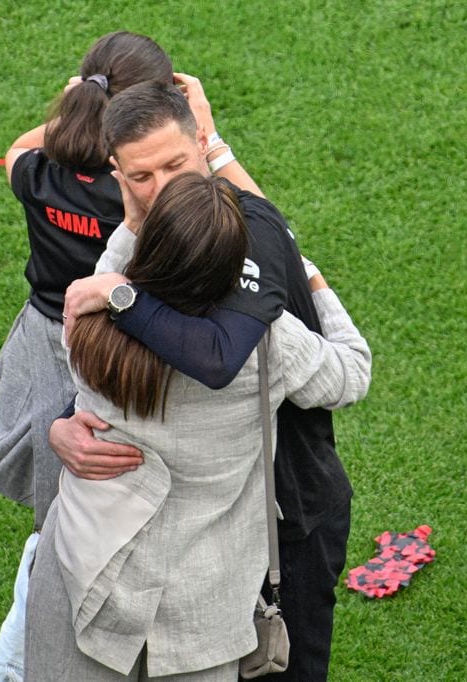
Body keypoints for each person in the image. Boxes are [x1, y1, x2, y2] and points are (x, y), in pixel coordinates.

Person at [56, 80, 366, 680]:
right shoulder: (270, 337)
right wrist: (306, 272)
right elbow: (350, 371)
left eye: (174, 166)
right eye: (142, 176)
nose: (163, 188)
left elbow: (103, 323)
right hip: (227, 578)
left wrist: (122, 264)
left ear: (199, 141)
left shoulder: (95, 316)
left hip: (125, 574)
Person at [0, 32, 176, 681]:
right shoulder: (141, 197)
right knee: (95, 519)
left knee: (61, 508)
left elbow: (17, 149)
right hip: (116, 349)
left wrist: (71, 110)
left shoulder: (38, 175)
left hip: (43, 342)